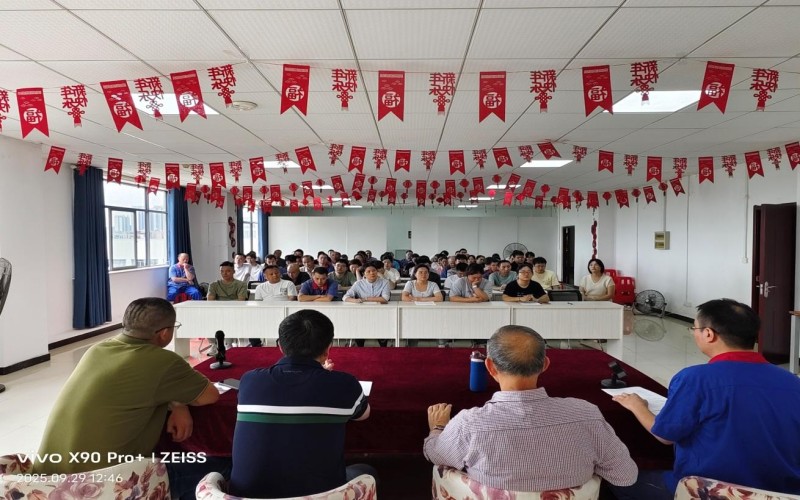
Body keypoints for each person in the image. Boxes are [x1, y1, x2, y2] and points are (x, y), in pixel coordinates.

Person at [33, 298, 222, 499]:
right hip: (101, 488)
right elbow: (209, 395)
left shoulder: (97, 349)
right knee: (221, 465)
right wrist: (179, 401)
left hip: (46, 484)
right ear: (165, 333)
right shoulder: (162, 361)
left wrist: (178, 403)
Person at [612, 299, 800, 499]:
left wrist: (637, 405)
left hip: (710, 490)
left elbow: (665, 436)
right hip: (782, 493)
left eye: (694, 328)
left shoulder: (695, 379)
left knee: (621, 482)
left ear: (709, 334)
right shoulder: (793, 382)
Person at [424, 325, 637, 491]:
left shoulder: (469, 424)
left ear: (489, 366)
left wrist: (438, 428)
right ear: (545, 365)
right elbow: (625, 476)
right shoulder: (587, 414)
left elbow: (435, 454)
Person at [230, 309, 375, 498]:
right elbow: (364, 414)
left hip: (248, 495)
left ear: (280, 346)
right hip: (322, 495)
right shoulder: (343, 384)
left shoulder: (249, 381)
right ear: (328, 349)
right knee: (367, 472)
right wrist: (327, 380)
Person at [208, 261, 254, 350]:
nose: (224, 273)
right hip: (217, 311)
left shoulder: (241, 284)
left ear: (233, 271)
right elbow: (210, 301)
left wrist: (220, 302)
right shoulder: (213, 285)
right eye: (222, 271)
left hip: (235, 311)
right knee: (207, 319)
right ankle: (214, 344)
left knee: (227, 318)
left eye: (228, 271)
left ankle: (227, 343)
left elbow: (241, 301)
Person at [344, 263, 391, 347]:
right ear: (364, 274)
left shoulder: (384, 282)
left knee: (382, 328)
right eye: (368, 271)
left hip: (380, 313)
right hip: (362, 313)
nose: (372, 273)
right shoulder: (358, 284)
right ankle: (360, 348)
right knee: (359, 327)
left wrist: (365, 299)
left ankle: (383, 348)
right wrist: (355, 300)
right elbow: (345, 297)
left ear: (377, 272)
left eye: (374, 271)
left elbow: (385, 298)